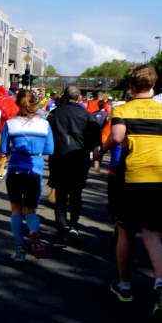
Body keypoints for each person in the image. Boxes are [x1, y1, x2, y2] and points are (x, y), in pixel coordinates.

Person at [98, 65, 162, 318]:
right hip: (159, 177)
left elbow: (117, 136)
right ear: (153, 86)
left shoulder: (122, 109)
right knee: (153, 233)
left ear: (132, 87)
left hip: (132, 177)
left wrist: (101, 151)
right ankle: (160, 283)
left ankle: (124, 287)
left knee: (125, 233)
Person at [0, 90, 54, 261]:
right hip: (34, 169)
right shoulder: (44, 124)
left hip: (15, 169)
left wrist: (14, 149)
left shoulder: (10, 123)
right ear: (34, 102)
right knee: (30, 210)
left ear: (16, 103)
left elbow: (3, 150)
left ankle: (19, 251)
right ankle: (34, 232)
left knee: (16, 210)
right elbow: (50, 149)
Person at [48, 85, 101, 246]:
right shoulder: (87, 115)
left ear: (64, 97)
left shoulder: (54, 114)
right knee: (76, 194)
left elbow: (47, 135)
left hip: (59, 158)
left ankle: (61, 233)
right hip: (80, 158)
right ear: (79, 98)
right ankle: (74, 226)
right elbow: (95, 140)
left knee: (61, 197)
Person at [91, 99, 110, 173]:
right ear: (104, 106)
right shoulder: (107, 115)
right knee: (102, 148)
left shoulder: (93, 114)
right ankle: (100, 161)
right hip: (103, 133)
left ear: (98, 106)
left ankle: (95, 160)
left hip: (95, 133)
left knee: (95, 148)